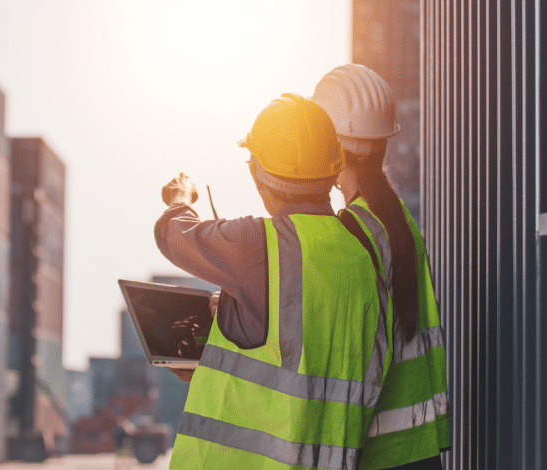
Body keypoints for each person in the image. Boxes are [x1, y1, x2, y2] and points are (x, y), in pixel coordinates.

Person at [155, 93, 393, 469]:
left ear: (257, 173)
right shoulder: (361, 257)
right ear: (333, 169)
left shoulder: (259, 245)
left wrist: (180, 198)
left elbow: (173, 234)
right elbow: (303, 368)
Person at [312, 64, 449, 470]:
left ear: (332, 148)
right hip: (419, 446)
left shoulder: (355, 230)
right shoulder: (400, 221)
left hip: (377, 452)